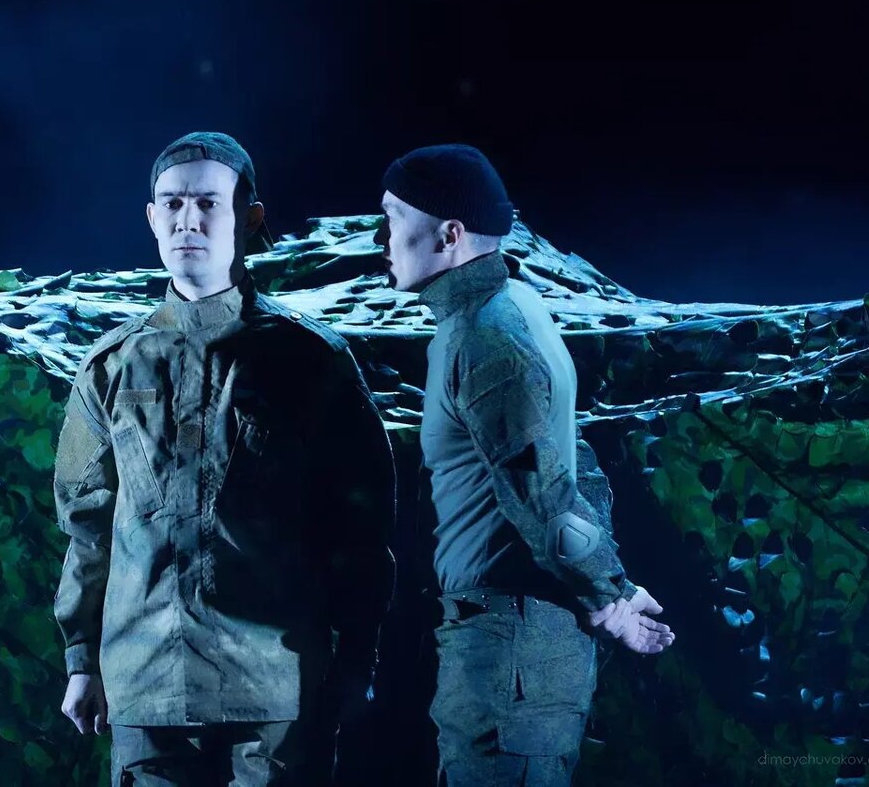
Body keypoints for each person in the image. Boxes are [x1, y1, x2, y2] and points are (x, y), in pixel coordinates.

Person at [53, 131, 396, 786]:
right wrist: (80, 659)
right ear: (151, 218)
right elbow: (87, 525)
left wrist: (358, 658)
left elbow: (362, 527)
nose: (188, 220)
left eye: (209, 203)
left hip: (274, 688)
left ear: (251, 217)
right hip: (145, 688)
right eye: (173, 204)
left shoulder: (310, 361)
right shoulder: (111, 366)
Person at [375, 144, 675, 786]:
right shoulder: (516, 308)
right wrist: (610, 586)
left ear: (449, 235)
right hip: (522, 645)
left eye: (393, 218)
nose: (381, 237)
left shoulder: (484, 338)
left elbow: (546, 494)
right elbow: (575, 463)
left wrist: (610, 597)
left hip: (507, 649)